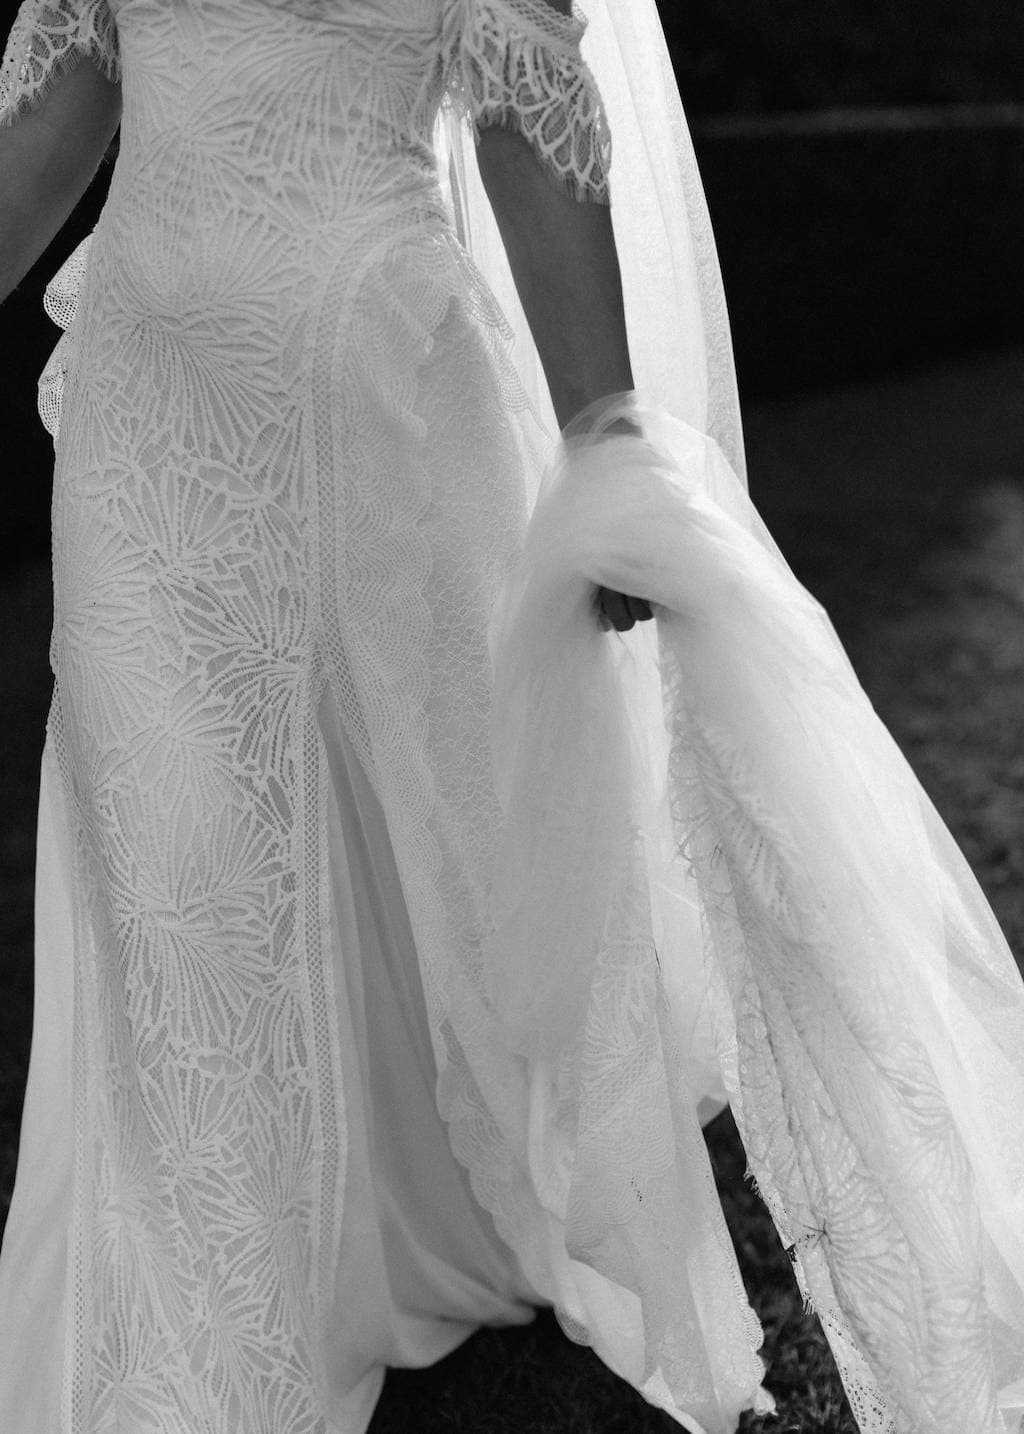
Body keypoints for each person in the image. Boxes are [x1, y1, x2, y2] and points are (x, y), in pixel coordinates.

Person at [1, 3, 1024, 1432]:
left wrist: (605, 441)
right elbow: (70, 103)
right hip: (147, 406)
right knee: (162, 858)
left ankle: (443, 1203)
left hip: (381, 394)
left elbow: (529, 131)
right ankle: (204, 1290)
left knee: (450, 841)